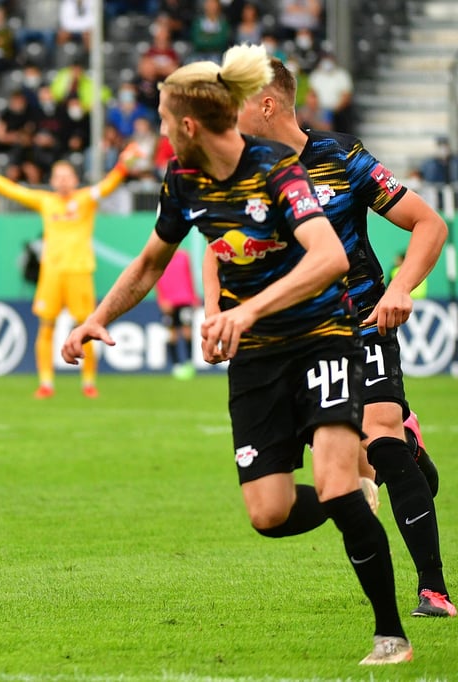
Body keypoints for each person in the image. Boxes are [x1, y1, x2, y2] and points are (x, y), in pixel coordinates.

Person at [61, 44, 412, 665]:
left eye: (166, 123)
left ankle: (391, 635)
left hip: (320, 338)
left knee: (331, 485)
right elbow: (148, 263)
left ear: (188, 125)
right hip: (257, 359)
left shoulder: (277, 168)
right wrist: (97, 316)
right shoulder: (184, 180)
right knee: (268, 513)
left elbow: (329, 257)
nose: (162, 133)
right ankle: (356, 496)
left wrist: (243, 309)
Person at [232, 57, 453, 619]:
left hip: (361, 319)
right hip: (299, 338)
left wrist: (400, 289)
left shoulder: (343, 157)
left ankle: (433, 590)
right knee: (367, 466)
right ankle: (409, 457)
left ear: (266, 103)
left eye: (236, 101)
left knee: (379, 431)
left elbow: (430, 224)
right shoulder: (242, 173)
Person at [0, 143, 139, 399]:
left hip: (79, 271)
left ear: (75, 180)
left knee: (86, 327)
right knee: (46, 326)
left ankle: (88, 382)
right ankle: (46, 383)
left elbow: (108, 185)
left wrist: (123, 166)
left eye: (67, 177)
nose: (63, 181)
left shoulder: (85, 199)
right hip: (51, 272)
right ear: (52, 181)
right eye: (58, 177)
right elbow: (13, 190)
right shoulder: (46, 201)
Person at [155, 249, 198, 379]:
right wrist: (161, 299)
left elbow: (189, 276)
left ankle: (190, 363)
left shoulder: (184, 256)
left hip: (185, 300)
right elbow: (155, 278)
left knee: (187, 331)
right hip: (168, 302)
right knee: (172, 333)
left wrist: (193, 296)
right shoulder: (160, 256)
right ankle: (176, 365)